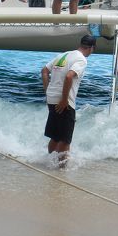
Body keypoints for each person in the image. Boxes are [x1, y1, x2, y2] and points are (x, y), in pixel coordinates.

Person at [41, 34, 97, 165]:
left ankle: (50, 164)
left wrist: (48, 91)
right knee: (65, 140)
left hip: (51, 98)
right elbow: (69, 77)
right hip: (64, 102)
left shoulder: (64, 55)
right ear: (92, 48)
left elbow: (44, 71)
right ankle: (61, 170)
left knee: (55, 136)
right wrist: (64, 100)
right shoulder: (81, 59)